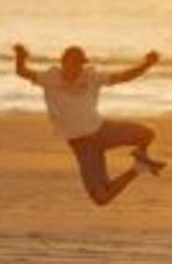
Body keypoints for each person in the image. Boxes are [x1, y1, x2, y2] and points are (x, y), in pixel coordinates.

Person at [12, 42, 164, 204]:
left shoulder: (91, 77)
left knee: (147, 134)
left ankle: (141, 155)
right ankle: (138, 169)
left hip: (103, 131)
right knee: (101, 198)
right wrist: (20, 57)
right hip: (82, 145)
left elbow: (122, 77)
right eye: (73, 63)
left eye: (80, 64)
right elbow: (22, 72)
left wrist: (146, 65)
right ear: (63, 62)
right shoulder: (49, 78)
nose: (77, 68)